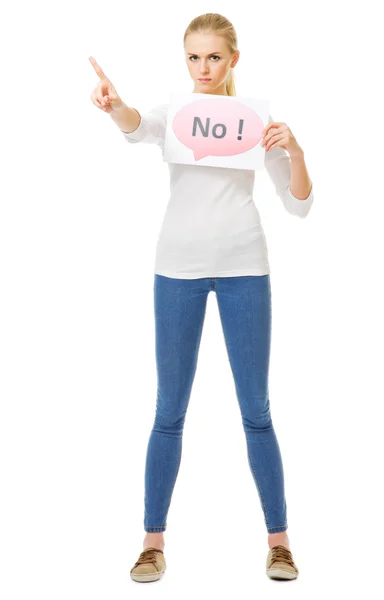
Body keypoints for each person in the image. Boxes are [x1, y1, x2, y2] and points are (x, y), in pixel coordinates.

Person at [89, 12, 313, 583]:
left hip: (245, 269)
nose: (203, 67)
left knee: (256, 412)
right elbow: (138, 126)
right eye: (193, 57)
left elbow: (300, 204)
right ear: (184, 60)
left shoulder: (254, 121)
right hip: (177, 271)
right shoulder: (177, 114)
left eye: (213, 56)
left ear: (233, 59)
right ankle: (152, 541)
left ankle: (280, 542)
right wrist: (115, 105)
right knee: (169, 411)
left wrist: (298, 152)